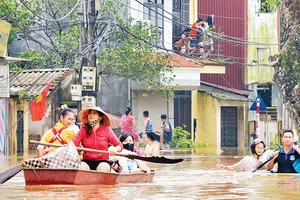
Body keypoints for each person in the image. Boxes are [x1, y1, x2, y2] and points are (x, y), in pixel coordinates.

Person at [73, 106, 123, 172]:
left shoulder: (106, 130)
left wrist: (115, 150)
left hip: (103, 161)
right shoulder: (83, 130)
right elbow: (74, 143)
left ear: (100, 117)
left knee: (102, 168)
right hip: (87, 160)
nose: (91, 115)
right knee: (82, 168)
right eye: (90, 113)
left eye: (94, 113)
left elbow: (119, 145)